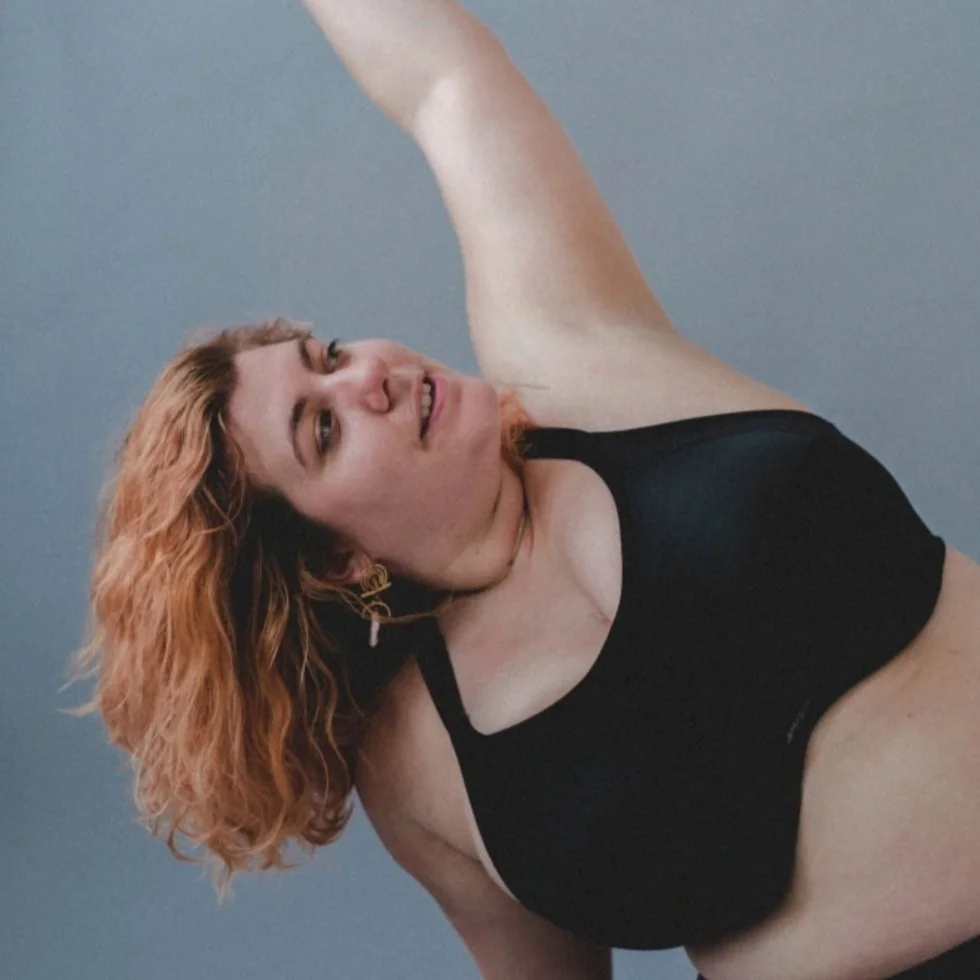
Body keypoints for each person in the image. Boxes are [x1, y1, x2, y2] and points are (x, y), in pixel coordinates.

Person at [68, 2, 980, 978]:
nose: (367, 375)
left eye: (327, 355)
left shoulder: (574, 354)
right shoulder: (415, 760)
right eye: (322, 429)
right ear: (336, 558)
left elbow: (440, 79)